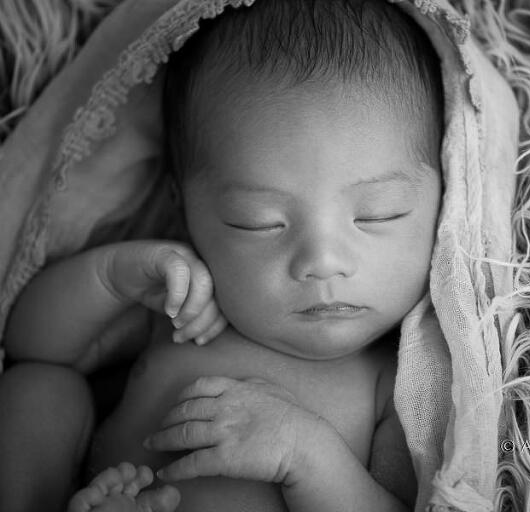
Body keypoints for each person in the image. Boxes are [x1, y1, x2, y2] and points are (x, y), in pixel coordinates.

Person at [3, 0, 443, 510]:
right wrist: (114, 278)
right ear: (183, 207)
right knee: (37, 390)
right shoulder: (185, 308)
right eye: (258, 221)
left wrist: (306, 455)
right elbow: (31, 345)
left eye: (379, 214)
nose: (322, 261)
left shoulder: (395, 378)